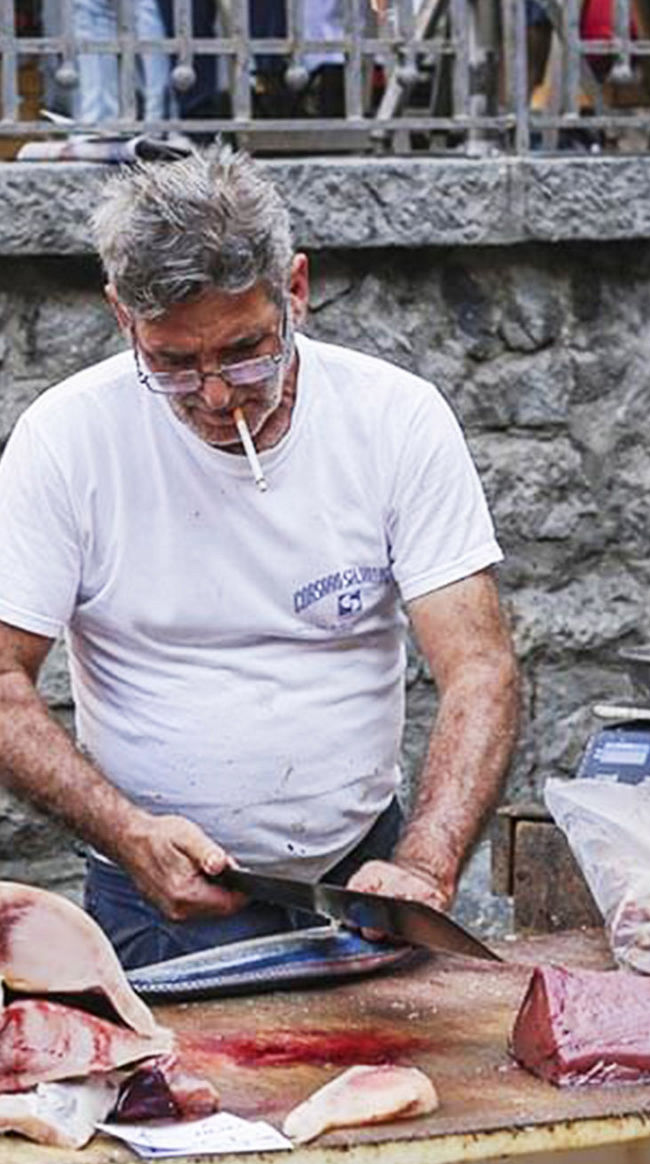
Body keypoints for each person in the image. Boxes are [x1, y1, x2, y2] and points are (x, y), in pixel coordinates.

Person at [0, 144, 519, 979]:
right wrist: (128, 833)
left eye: (246, 351)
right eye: (171, 363)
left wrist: (425, 862)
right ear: (121, 318)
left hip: (364, 884)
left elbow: (479, 668)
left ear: (297, 291)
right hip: (153, 895)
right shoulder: (66, 441)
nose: (215, 395)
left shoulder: (396, 418)